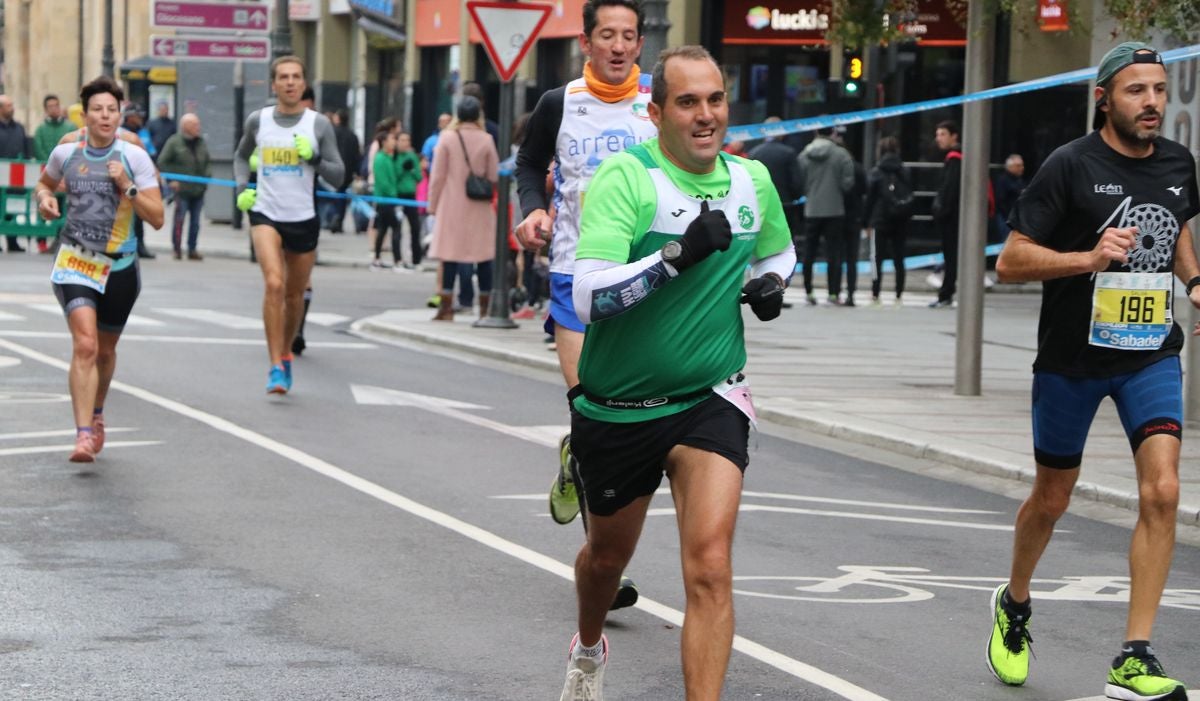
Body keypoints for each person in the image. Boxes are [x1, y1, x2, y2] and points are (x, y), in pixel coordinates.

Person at [556, 45, 795, 701]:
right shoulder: (627, 180)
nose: (705, 114)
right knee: (606, 561)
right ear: (657, 111)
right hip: (620, 406)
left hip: (710, 394)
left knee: (711, 566)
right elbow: (587, 297)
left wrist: (770, 283)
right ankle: (586, 647)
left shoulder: (752, 181)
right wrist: (672, 259)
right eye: (688, 101)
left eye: (715, 99)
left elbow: (778, 250)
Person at [990, 42, 1196, 701]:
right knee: (1052, 498)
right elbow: (1011, 262)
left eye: (1160, 89)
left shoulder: (1178, 162)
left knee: (1162, 491)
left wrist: (1195, 278)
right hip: (1072, 361)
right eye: (1138, 90)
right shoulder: (1068, 166)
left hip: (1150, 352)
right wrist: (1087, 258)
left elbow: (1178, 225)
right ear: (1104, 97)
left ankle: (1133, 656)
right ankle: (1014, 602)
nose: (1153, 102)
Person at [514, 0, 658, 610]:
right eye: (608, 35)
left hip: (646, 280)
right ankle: (609, 566)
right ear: (586, 41)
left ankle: (581, 464)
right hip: (575, 276)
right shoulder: (559, 103)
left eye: (629, 36)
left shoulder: (659, 104)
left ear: (640, 45)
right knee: (593, 411)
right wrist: (533, 209)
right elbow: (527, 163)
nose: (619, 46)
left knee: (624, 422)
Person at [32, 75, 164, 462]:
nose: (105, 117)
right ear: (84, 114)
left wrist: (128, 186)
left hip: (121, 266)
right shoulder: (66, 150)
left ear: (119, 113)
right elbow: (44, 184)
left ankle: (98, 411)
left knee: (105, 352)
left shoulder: (134, 156)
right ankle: (83, 434)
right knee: (85, 344)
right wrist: (44, 200)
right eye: (98, 110)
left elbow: (156, 217)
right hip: (75, 259)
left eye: (112, 110)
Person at [234, 55, 344, 394]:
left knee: (295, 296)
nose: (290, 82)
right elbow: (241, 156)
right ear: (274, 84)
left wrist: (312, 157)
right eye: (283, 77)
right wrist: (243, 189)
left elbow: (338, 176)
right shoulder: (259, 120)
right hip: (266, 212)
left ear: (304, 83)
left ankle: (286, 353)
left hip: (303, 217)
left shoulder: (318, 125)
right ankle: (274, 366)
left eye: (296, 77)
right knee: (274, 284)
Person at [427, 96, 498, 320]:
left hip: (451, 205)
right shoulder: (486, 139)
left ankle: (446, 308)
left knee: (449, 255)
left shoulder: (446, 138)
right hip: (480, 206)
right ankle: (485, 308)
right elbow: (494, 174)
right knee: (484, 256)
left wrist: (432, 204)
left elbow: (437, 175)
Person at [797, 124, 854, 305]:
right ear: (833, 133)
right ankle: (833, 293)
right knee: (834, 253)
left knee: (809, 253)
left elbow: (799, 180)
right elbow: (848, 184)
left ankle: (809, 291)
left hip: (811, 208)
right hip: (834, 209)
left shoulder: (804, 154)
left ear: (815, 132)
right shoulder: (841, 154)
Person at [863, 135, 914, 304]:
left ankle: (876, 292)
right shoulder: (905, 170)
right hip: (900, 219)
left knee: (877, 257)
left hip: (880, 219)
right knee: (899, 258)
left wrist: (865, 222)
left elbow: (870, 199)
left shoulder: (876, 172)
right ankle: (899, 292)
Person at [156, 113, 211, 260]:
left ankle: (192, 249)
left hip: (198, 190)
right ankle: (177, 249)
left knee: (195, 223)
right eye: (194, 125)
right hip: (182, 191)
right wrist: (172, 180)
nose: (198, 128)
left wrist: (207, 177)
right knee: (179, 220)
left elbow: (207, 161)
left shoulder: (200, 142)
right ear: (185, 127)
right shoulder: (174, 142)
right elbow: (162, 162)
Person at [929, 119, 961, 307]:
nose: (938, 138)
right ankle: (947, 292)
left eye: (942, 134)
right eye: (937, 134)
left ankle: (946, 293)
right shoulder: (955, 157)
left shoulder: (955, 158)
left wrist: (940, 211)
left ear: (953, 136)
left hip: (951, 217)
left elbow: (949, 189)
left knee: (951, 256)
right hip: (952, 215)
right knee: (951, 256)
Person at [834, 128, 867, 306]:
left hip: (838, 215)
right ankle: (851, 294)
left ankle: (836, 292)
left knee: (838, 256)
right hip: (854, 216)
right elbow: (864, 190)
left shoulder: (834, 167)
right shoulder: (858, 167)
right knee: (851, 259)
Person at [121, 107, 156, 259]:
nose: (140, 119)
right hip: (125, 180)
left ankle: (140, 245)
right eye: (137, 116)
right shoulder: (122, 134)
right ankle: (127, 246)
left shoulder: (143, 132)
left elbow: (150, 152)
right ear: (129, 117)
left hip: (141, 180)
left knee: (140, 215)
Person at [0, 94, 30, 253]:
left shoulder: (19, 127)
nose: (12, 109)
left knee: (11, 209)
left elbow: (25, 149)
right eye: (8, 106)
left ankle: (12, 241)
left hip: (15, 177)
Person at [369, 128, 401, 269]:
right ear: (384, 142)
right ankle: (397, 260)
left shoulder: (388, 157)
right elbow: (383, 182)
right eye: (391, 139)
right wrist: (394, 195)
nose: (394, 142)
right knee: (395, 228)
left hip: (387, 199)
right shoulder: (381, 158)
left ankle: (377, 258)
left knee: (383, 229)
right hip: (385, 199)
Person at [328, 108, 362, 234]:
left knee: (333, 194)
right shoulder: (352, 136)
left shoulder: (332, 132)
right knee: (341, 195)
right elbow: (356, 155)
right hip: (347, 171)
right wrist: (357, 172)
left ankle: (333, 218)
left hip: (332, 168)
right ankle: (338, 219)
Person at [394, 132, 423, 268]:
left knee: (415, 227)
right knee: (397, 228)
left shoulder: (412, 156)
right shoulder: (394, 156)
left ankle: (416, 259)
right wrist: (402, 168)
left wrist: (412, 170)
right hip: (398, 195)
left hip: (411, 195)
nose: (405, 143)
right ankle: (398, 259)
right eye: (402, 140)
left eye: (408, 140)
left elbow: (419, 177)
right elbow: (394, 176)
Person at [993, 153, 1026, 239]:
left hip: (1016, 219)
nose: (1022, 168)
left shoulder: (1019, 180)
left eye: (1022, 165)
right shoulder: (1003, 181)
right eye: (1018, 166)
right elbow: (1000, 200)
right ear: (1010, 167)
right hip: (1006, 219)